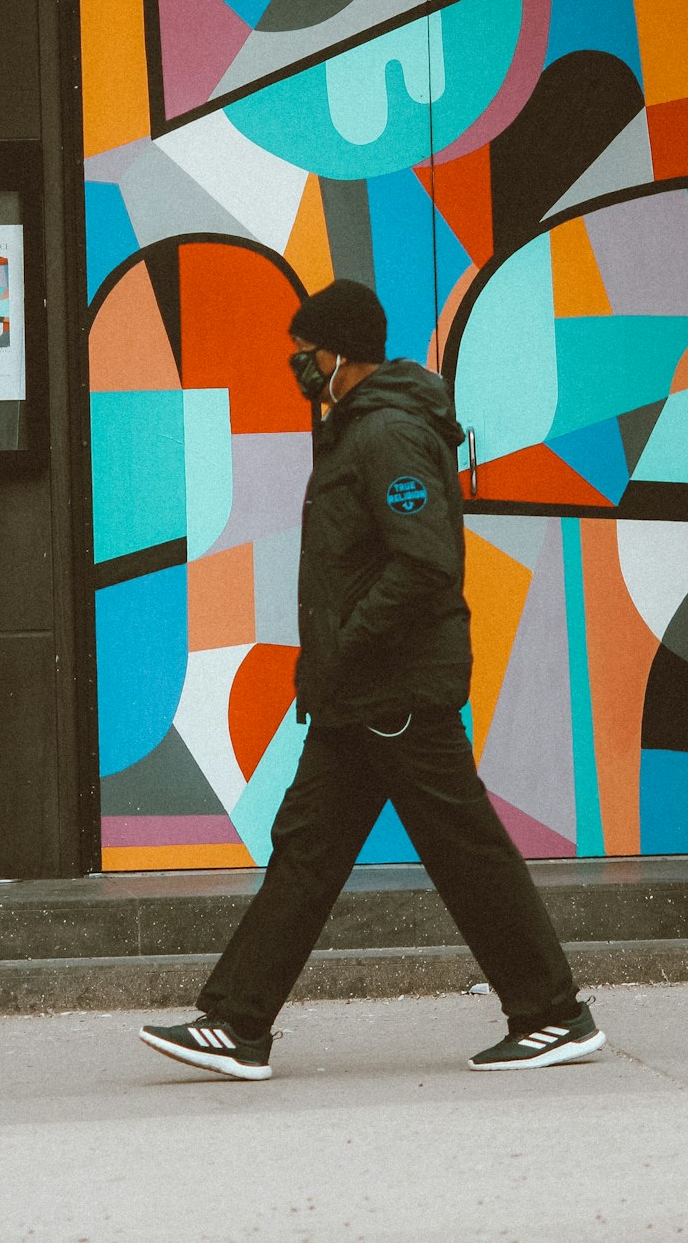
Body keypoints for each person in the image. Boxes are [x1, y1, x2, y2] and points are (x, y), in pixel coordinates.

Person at [140, 280, 604, 1080]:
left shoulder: (387, 433)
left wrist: (347, 645)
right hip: (360, 694)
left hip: (394, 690)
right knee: (308, 850)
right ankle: (237, 1023)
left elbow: (425, 563)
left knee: (463, 851)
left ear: (341, 354)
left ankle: (554, 1014)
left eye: (306, 352)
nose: (298, 364)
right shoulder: (359, 428)